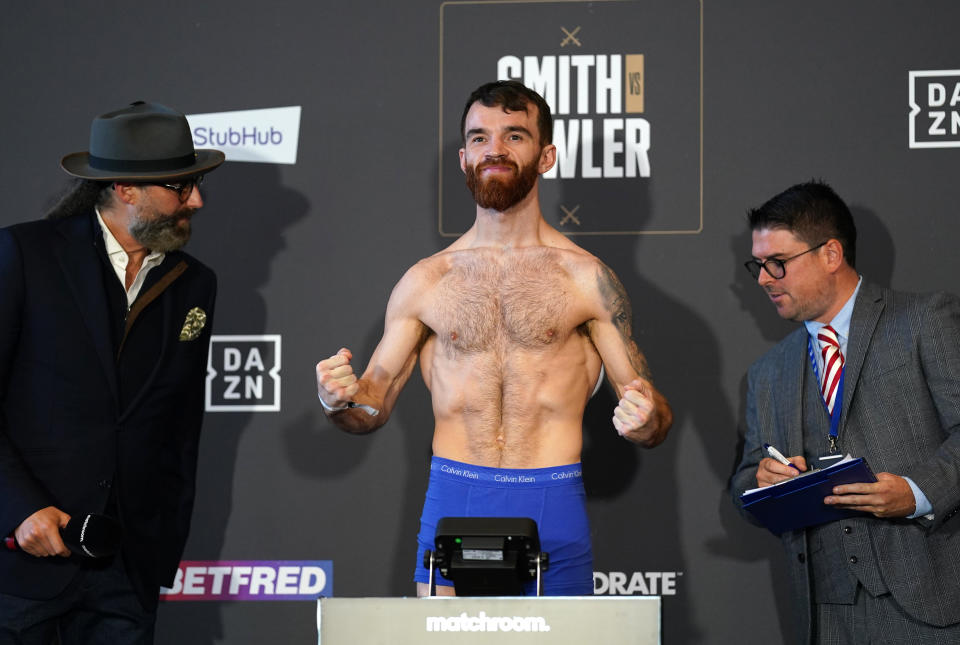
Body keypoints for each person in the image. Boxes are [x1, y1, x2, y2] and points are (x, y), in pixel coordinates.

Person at [316, 80, 673, 597]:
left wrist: (644, 421)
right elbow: (369, 409)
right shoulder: (427, 281)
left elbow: (652, 413)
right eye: (480, 138)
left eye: (514, 136)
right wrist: (336, 401)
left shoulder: (586, 279)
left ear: (546, 155)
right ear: (464, 157)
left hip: (552, 503)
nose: (495, 150)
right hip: (454, 500)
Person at [0, 101, 224, 643]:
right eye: (181, 186)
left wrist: (160, 550)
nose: (196, 199)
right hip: (27, 559)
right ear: (126, 188)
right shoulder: (24, 254)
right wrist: (19, 509)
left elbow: (180, 425)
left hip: (128, 571)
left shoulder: (195, 283)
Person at [730, 180, 960, 644]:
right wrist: (761, 481)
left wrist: (917, 493)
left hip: (928, 602)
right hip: (823, 613)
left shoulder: (923, 320)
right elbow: (744, 481)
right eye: (758, 264)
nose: (762, 279)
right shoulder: (767, 373)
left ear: (830, 254)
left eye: (778, 263)